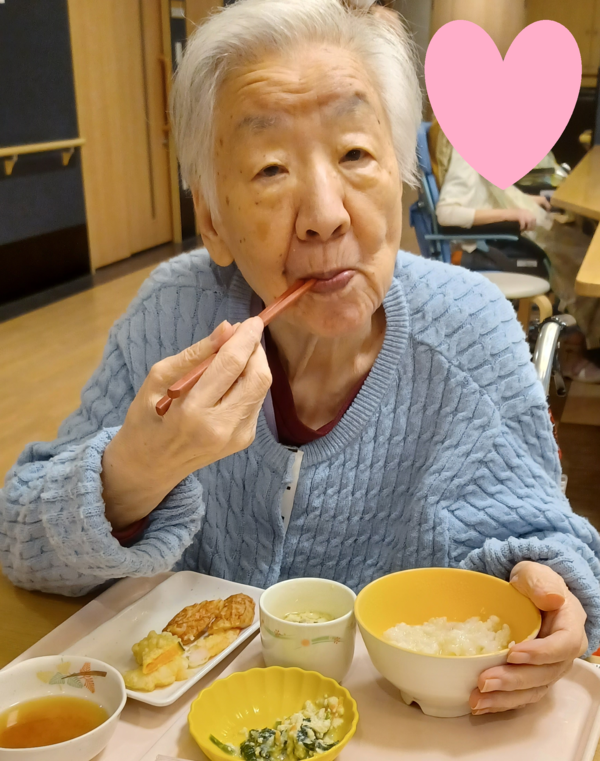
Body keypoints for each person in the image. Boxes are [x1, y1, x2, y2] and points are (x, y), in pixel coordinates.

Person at [1, 0, 599, 717]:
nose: (324, 214)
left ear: (402, 178)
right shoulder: (172, 315)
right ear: (212, 219)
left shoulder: (471, 329)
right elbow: (20, 538)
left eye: (355, 155)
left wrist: (551, 588)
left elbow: (547, 538)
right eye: (271, 168)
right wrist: (136, 469)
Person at [433, 121, 600, 382]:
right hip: (494, 244)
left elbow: (486, 192)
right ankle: (584, 350)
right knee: (587, 263)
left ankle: (580, 340)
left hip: (515, 232)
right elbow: (447, 213)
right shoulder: (465, 149)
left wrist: (525, 201)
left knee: (584, 243)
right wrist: (511, 213)